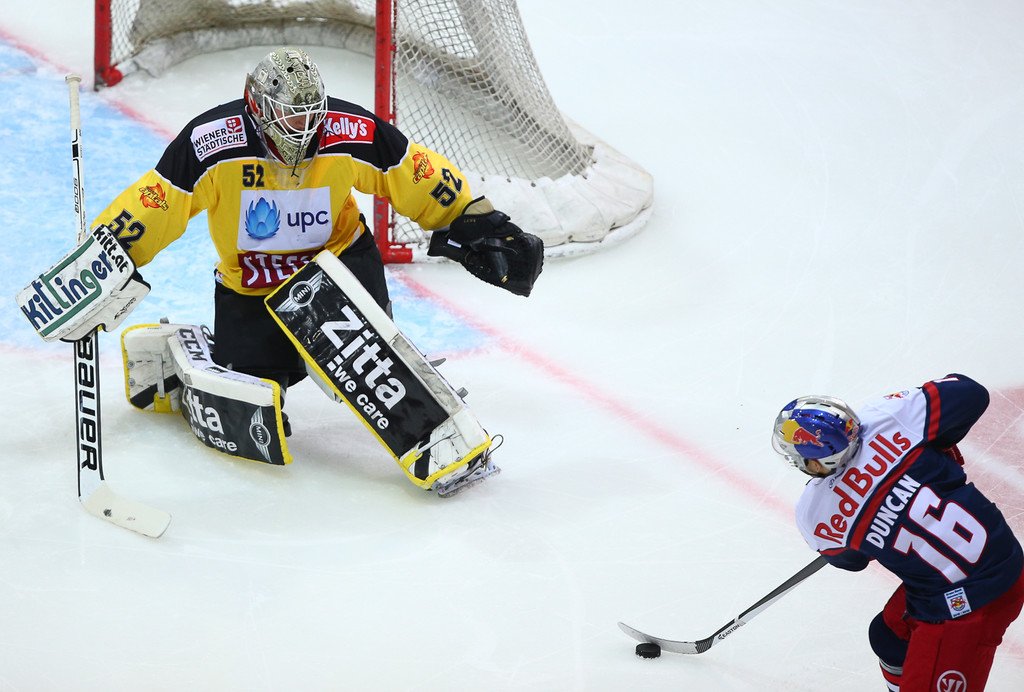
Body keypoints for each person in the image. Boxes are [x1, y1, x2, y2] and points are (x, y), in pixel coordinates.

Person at [90, 46, 543, 434]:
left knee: (372, 367)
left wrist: (475, 220)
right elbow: (159, 202)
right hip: (254, 284)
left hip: (341, 266)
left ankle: (411, 399)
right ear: (259, 107)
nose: (303, 125)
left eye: (311, 113)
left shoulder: (349, 130)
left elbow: (414, 173)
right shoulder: (211, 141)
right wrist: (107, 255)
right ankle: (211, 366)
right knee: (252, 395)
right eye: (292, 114)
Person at [771, 374, 1024, 691]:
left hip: (969, 605)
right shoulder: (887, 417)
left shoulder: (816, 513)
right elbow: (971, 393)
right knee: (890, 638)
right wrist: (939, 445)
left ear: (814, 462)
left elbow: (851, 560)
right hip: (998, 550)